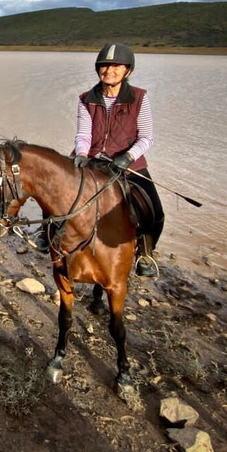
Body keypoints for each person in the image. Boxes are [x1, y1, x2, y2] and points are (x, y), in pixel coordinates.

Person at [36, 43, 164, 278]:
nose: (109, 70)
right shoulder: (86, 98)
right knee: (53, 192)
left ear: (128, 70)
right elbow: (83, 133)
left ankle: (145, 254)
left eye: (116, 66)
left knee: (154, 209)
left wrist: (129, 156)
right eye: (104, 65)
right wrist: (83, 154)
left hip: (127, 164)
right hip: (91, 159)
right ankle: (45, 233)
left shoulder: (139, 98)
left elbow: (146, 137)